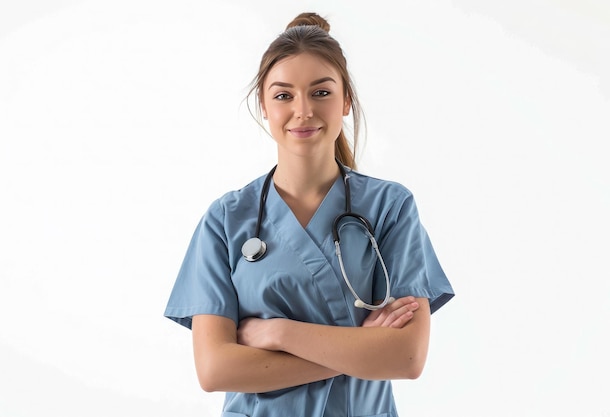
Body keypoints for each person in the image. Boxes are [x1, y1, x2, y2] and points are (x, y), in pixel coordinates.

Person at [165, 12, 454, 417]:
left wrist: (275, 332)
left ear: (346, 100)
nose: (303, 111)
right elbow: (215, 369)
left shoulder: (390, 208)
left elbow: (406, 358)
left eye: (321, 93)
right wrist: (360, 349)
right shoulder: (226, 219)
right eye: (284, 95)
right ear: (264, 105)